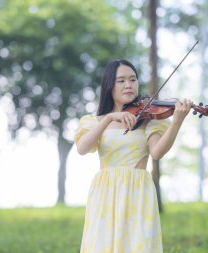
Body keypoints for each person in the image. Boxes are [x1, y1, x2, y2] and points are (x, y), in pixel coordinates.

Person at [74, 59, 192, 253]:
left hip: (137, 189)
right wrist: (110, 118)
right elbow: (82, 148)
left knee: (138, 245)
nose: (128, 85)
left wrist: (176, 122)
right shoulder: (93, 121)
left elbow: (157, 153)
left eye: (133, 79)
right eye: (121, 81)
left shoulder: (147, 119)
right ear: (109, 86)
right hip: (106, 190)